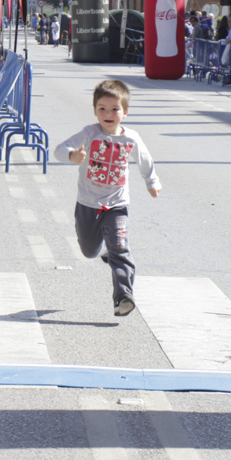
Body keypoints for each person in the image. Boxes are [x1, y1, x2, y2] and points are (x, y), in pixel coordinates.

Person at [53, 79, 161, 316]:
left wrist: (152, 182)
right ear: (95, 111)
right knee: (89, 251)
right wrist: (72, 156)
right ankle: (103, 250)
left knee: (121, 248)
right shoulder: (89, 133)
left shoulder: (131, 138)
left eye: (115, 109)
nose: (108, 114)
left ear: (125, 112)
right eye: (102, 108)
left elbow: (145, 160)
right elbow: (59, 149)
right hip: (88, 204)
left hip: (117, 204)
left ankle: (123, 296)